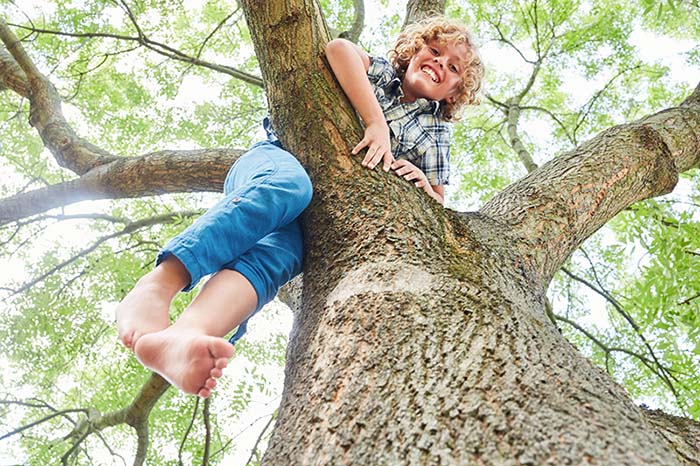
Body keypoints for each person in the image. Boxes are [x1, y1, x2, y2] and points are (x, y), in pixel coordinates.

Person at [115, 16, 484, 398]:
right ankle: (161, 283)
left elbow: (439, 201)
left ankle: (187, 333)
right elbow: (337, 49)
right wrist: (376, 123)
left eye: (453, 67)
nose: (440, 63)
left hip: (314, 214)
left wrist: (422, 182)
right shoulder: (379, 74)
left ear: (455, 91)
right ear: (411, 54)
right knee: (289, 186)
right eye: (434, 51)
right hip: (276, 160)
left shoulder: (436, 132)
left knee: (282, 257)